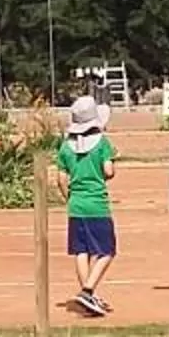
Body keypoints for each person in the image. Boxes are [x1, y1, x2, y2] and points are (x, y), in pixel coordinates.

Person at [54, 95, 119, 318]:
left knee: (81, 251)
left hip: (76, 205)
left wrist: (68, 197)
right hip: (97, 204)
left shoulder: (65, 148)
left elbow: (61, 179)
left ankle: (88, 295)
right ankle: (88, 290)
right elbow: (109, 171)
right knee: (107, 251)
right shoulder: (102, 144)